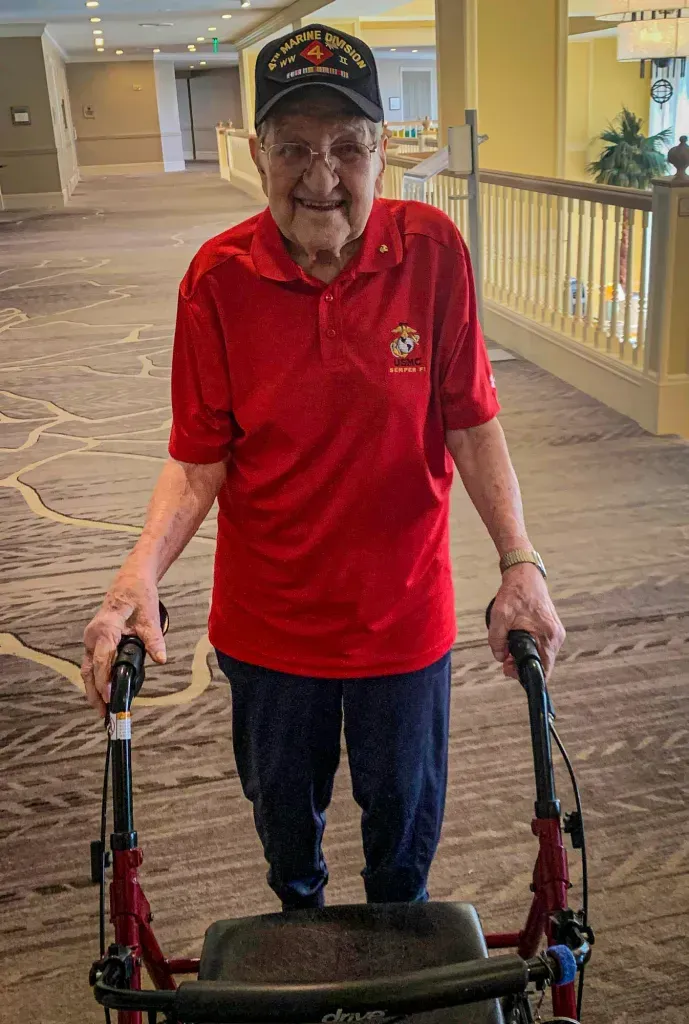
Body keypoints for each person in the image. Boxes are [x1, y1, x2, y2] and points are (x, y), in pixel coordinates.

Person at [82, 25, 565, 910]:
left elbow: (470, 423)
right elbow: (198, 459)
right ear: (257, 153)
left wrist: (519, 560)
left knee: (405, 830)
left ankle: (395, 940)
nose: (322, 175)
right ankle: (299, 922)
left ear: (382, 151)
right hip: (269, 625)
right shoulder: (216, 280)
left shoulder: (433, 253)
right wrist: (137, 574)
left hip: (402, 619)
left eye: (347, 146)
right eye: (294, 147)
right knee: (283, 827)